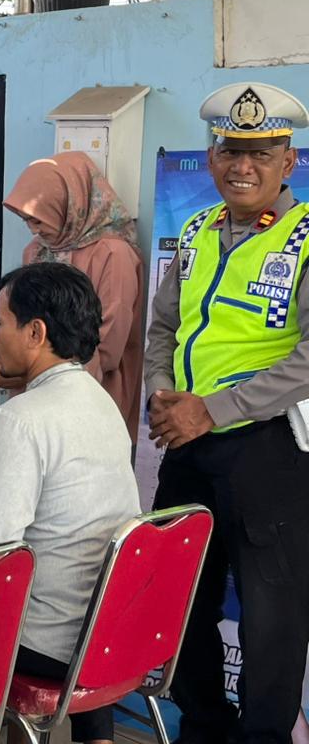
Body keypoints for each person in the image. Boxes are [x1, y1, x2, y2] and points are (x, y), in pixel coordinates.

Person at [144, 83, 309, 744]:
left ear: (287, 161)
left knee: (272, 619)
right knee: (178, 600)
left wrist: (214, 409)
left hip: (266, 451)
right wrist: (162, 393)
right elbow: (162, 329)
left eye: (258, 153)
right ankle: (204, 729)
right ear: (211, 157)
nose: (241, 165)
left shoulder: (305, 238)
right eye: (229, 150)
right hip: (186, 445)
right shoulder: (194, 230)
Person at [0, 262, 140, 744]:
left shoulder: (21, 420)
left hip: (46, 644)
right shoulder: (100, 400)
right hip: (110, 632)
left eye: (1, 323)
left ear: (35, 332)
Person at [0, 152, 145, 442]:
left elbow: (106, 343)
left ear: (69, 206)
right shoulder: (37, 251)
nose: (33, 229)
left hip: (90, 392)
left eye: (39, 220)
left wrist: (30, 369)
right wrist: (1, 349)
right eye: (27, 220)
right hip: (33, 391)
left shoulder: (113, 255)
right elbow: (21, 316)